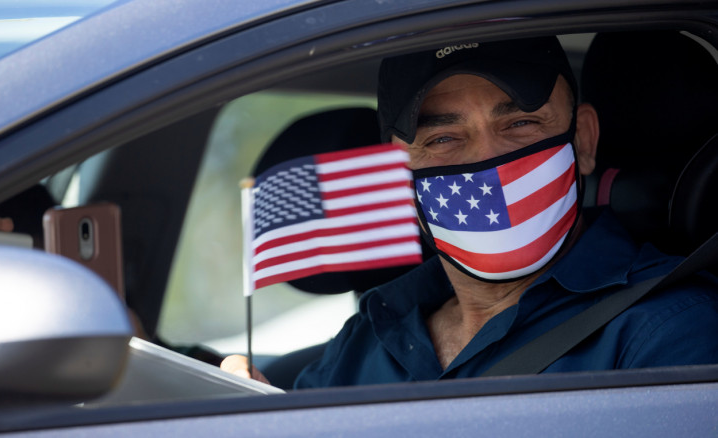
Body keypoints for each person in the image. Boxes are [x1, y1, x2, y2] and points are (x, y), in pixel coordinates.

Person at [222, 36, 718, 387]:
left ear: (584, 140)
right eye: (443, 138)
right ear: (398, 170)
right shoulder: (369, 336)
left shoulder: (667, 332)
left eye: (521, 123)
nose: (486, 161)